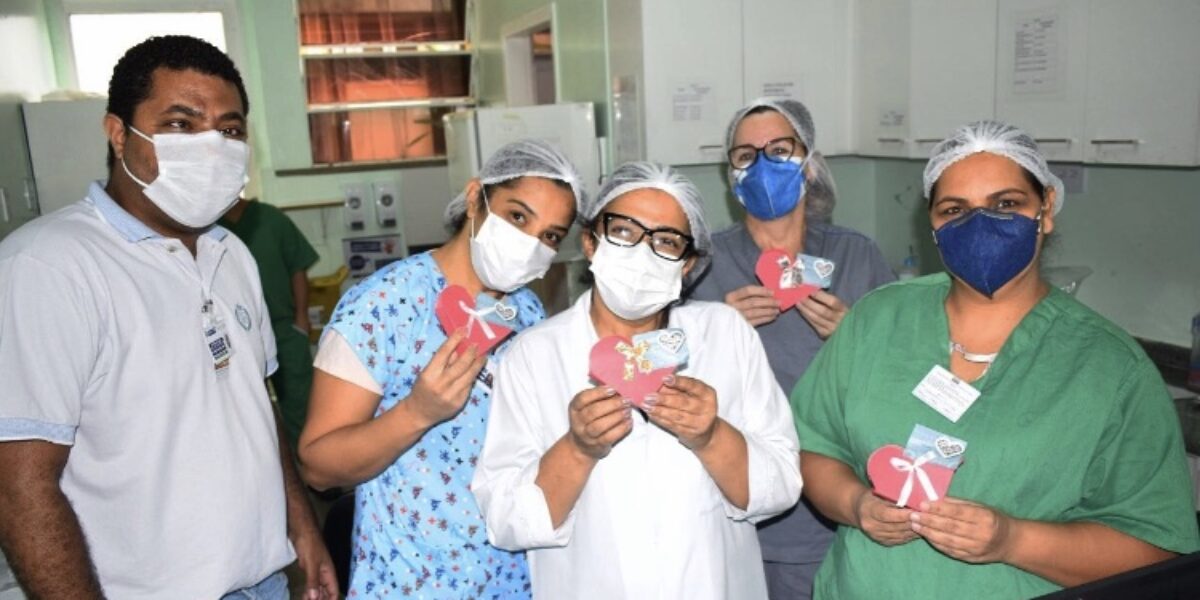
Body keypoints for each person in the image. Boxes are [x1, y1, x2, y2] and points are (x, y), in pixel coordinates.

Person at [793, 120, 1200, 598]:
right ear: (933, 224)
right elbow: (812, 446)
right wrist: (857, 504)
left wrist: (1012, 540)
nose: (980, 225)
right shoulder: (878, 320)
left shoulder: (1110, 370)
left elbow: (1156, 551)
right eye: (955, 210)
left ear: (1046, 209)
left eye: (1006, 204)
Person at [0, 36, 336, 599]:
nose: (212, 145)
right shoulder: (49, 267)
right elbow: (19, 486)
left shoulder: (232, 254)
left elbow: (255, 404)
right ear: (117, 133)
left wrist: (301, 524)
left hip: (260, 581)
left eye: (229, 130)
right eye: (181, 124)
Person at [472, 161, 802, 599]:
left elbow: (781, 484)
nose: (643, 252)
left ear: (688, 265)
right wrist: (577, 449)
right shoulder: (535, 355)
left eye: (666, 241)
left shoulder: (724, 334)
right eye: (624, 232)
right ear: (590, 242)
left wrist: (710, 436)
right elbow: (506, 518)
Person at [297, 139, 583, 597]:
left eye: (550, 235)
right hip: (413, 581)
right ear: (475, 198)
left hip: (516, 581)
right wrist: (417, 412)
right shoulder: (381, 305)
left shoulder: (530, 317)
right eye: (517, 216)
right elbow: (318, 467)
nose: (530, 242)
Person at [690, 97, 894, 599]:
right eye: (745, 155)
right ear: (730, 174)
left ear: (809, 161)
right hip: (732, 498)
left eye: (780, 150)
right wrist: (716, 331)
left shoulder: (855, 255)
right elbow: (659, 379)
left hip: (836, 504)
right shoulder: (700, 267)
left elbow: (900, 378)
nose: (762, 165)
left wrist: (856, 338)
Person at [220, 195, 320, 447]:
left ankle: (313, 475)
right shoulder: (209, 227)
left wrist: (301, 318)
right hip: (234, 335)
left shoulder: (270, 219)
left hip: (284, 328)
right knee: (249, 412)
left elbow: (298, 268)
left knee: (302, 406)